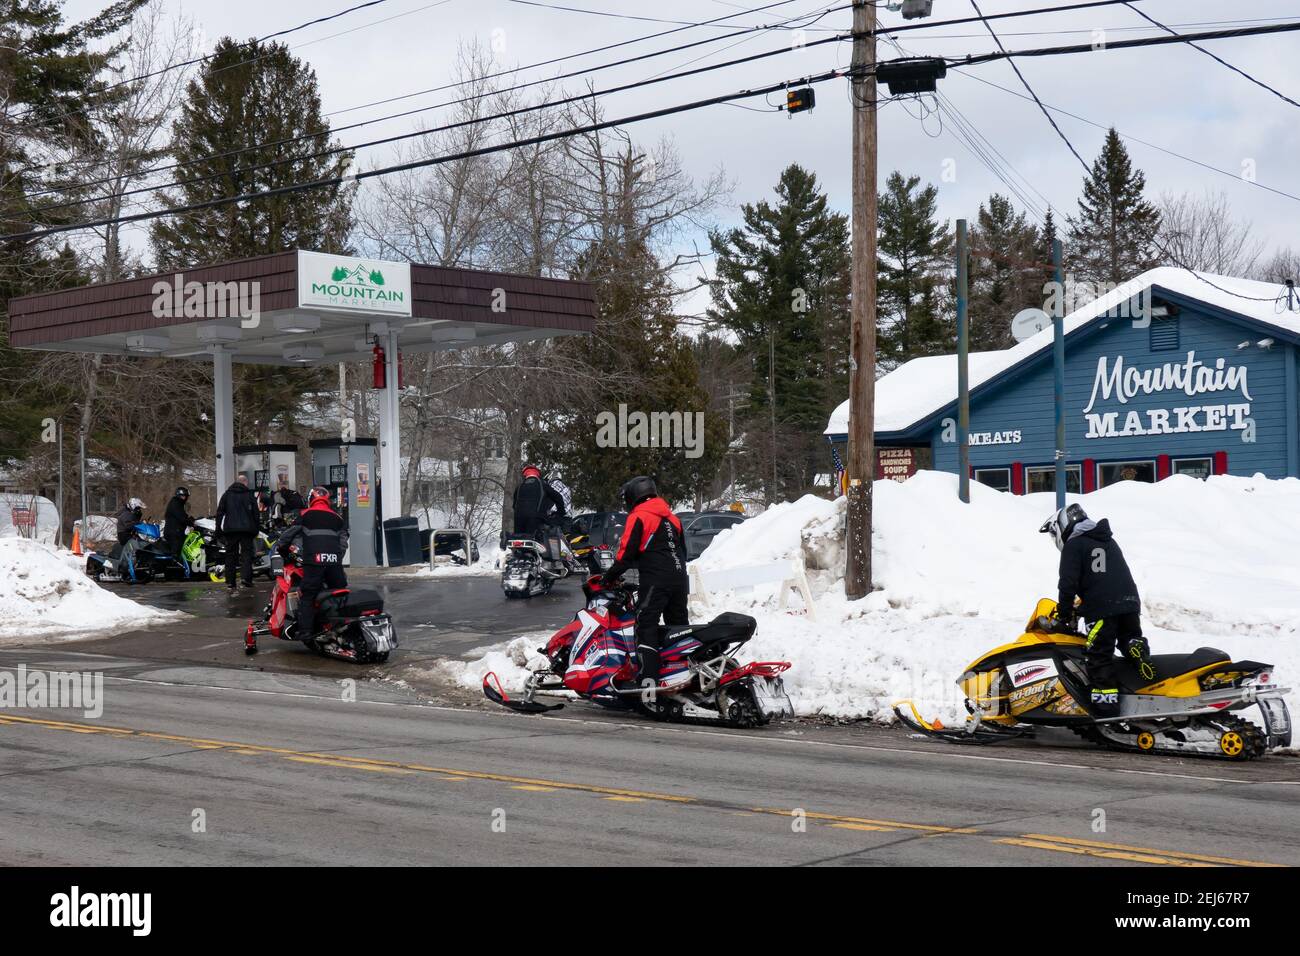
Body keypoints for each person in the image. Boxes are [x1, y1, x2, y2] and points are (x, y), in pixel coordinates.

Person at [1041, 504, 1153, 717]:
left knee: (1099, 655)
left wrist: (1064, 613)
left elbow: (1067, 583)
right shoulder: (1108, 540)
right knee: (1129, 641)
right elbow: (1108, 576)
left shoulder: (1074, 545)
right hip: (1129, 603)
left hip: (1102, 609)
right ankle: (1136, 654)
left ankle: (1106, 709)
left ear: (1062, 525)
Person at [599, 475, 689, 690]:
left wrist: (609, 577)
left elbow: (625, 554)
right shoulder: (673, 518)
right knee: (677, 628)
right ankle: (680, 671)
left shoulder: (639, 517)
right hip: (679, 579)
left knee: (645, 623)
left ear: (633, 497)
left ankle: (648, 680)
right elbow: (682, 552)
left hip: (656, 580)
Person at [277, 487, 349, 641]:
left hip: (313, 562)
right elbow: (343, 543)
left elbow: (288, 536)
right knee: (338, 591)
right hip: (334, 563)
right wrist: (335, 557)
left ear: (311, 500)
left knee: (307, 595)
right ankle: (340, 626)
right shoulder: (337, 518)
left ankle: (306, 633)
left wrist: (281, 548)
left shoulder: (304, 514)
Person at [215, 475, 260, 590]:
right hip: (247, 530)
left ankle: (230, 581)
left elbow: (220, 512)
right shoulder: (249, 495)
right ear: (245, 483)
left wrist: (218, 529)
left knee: (230, 555)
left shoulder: (227, 495)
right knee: (246, 555)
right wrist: (256, 529)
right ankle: (246, 579)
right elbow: (256, 514)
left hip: (230, 530)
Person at [512, 465, 566, 537]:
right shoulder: (542, 484)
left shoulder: (519, 487)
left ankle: (508, 536)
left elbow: (514, 505)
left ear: (524, 474)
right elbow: (558, 497)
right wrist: (561, 512)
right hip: (536, 519)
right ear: (537, 474)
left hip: (518, 519)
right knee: (536, 539)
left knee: (518, 540)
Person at [162, 487, 196, 560]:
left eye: (186, 496)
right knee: (176, 552)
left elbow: (182, 516)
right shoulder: (175, 503)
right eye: (183, 496)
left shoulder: (178, 503)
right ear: (179, 495)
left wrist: (190, 519)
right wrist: (191, 522)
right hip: (174, 533)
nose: (185, 498)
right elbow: (181, 517)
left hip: (176, 531)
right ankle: (174, 567)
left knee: (183, 548)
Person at [114, 498, 145, 576]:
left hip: (131, 533)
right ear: (133, 506)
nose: (139, 510)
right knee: (136, 545)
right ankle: (128, 566)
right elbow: (129, 525)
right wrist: (139, 523)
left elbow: (135, 522)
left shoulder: (132, 513)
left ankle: (142, 564)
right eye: (138, 508)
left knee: (144, 544)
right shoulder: (126, 514)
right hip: (124, 535)